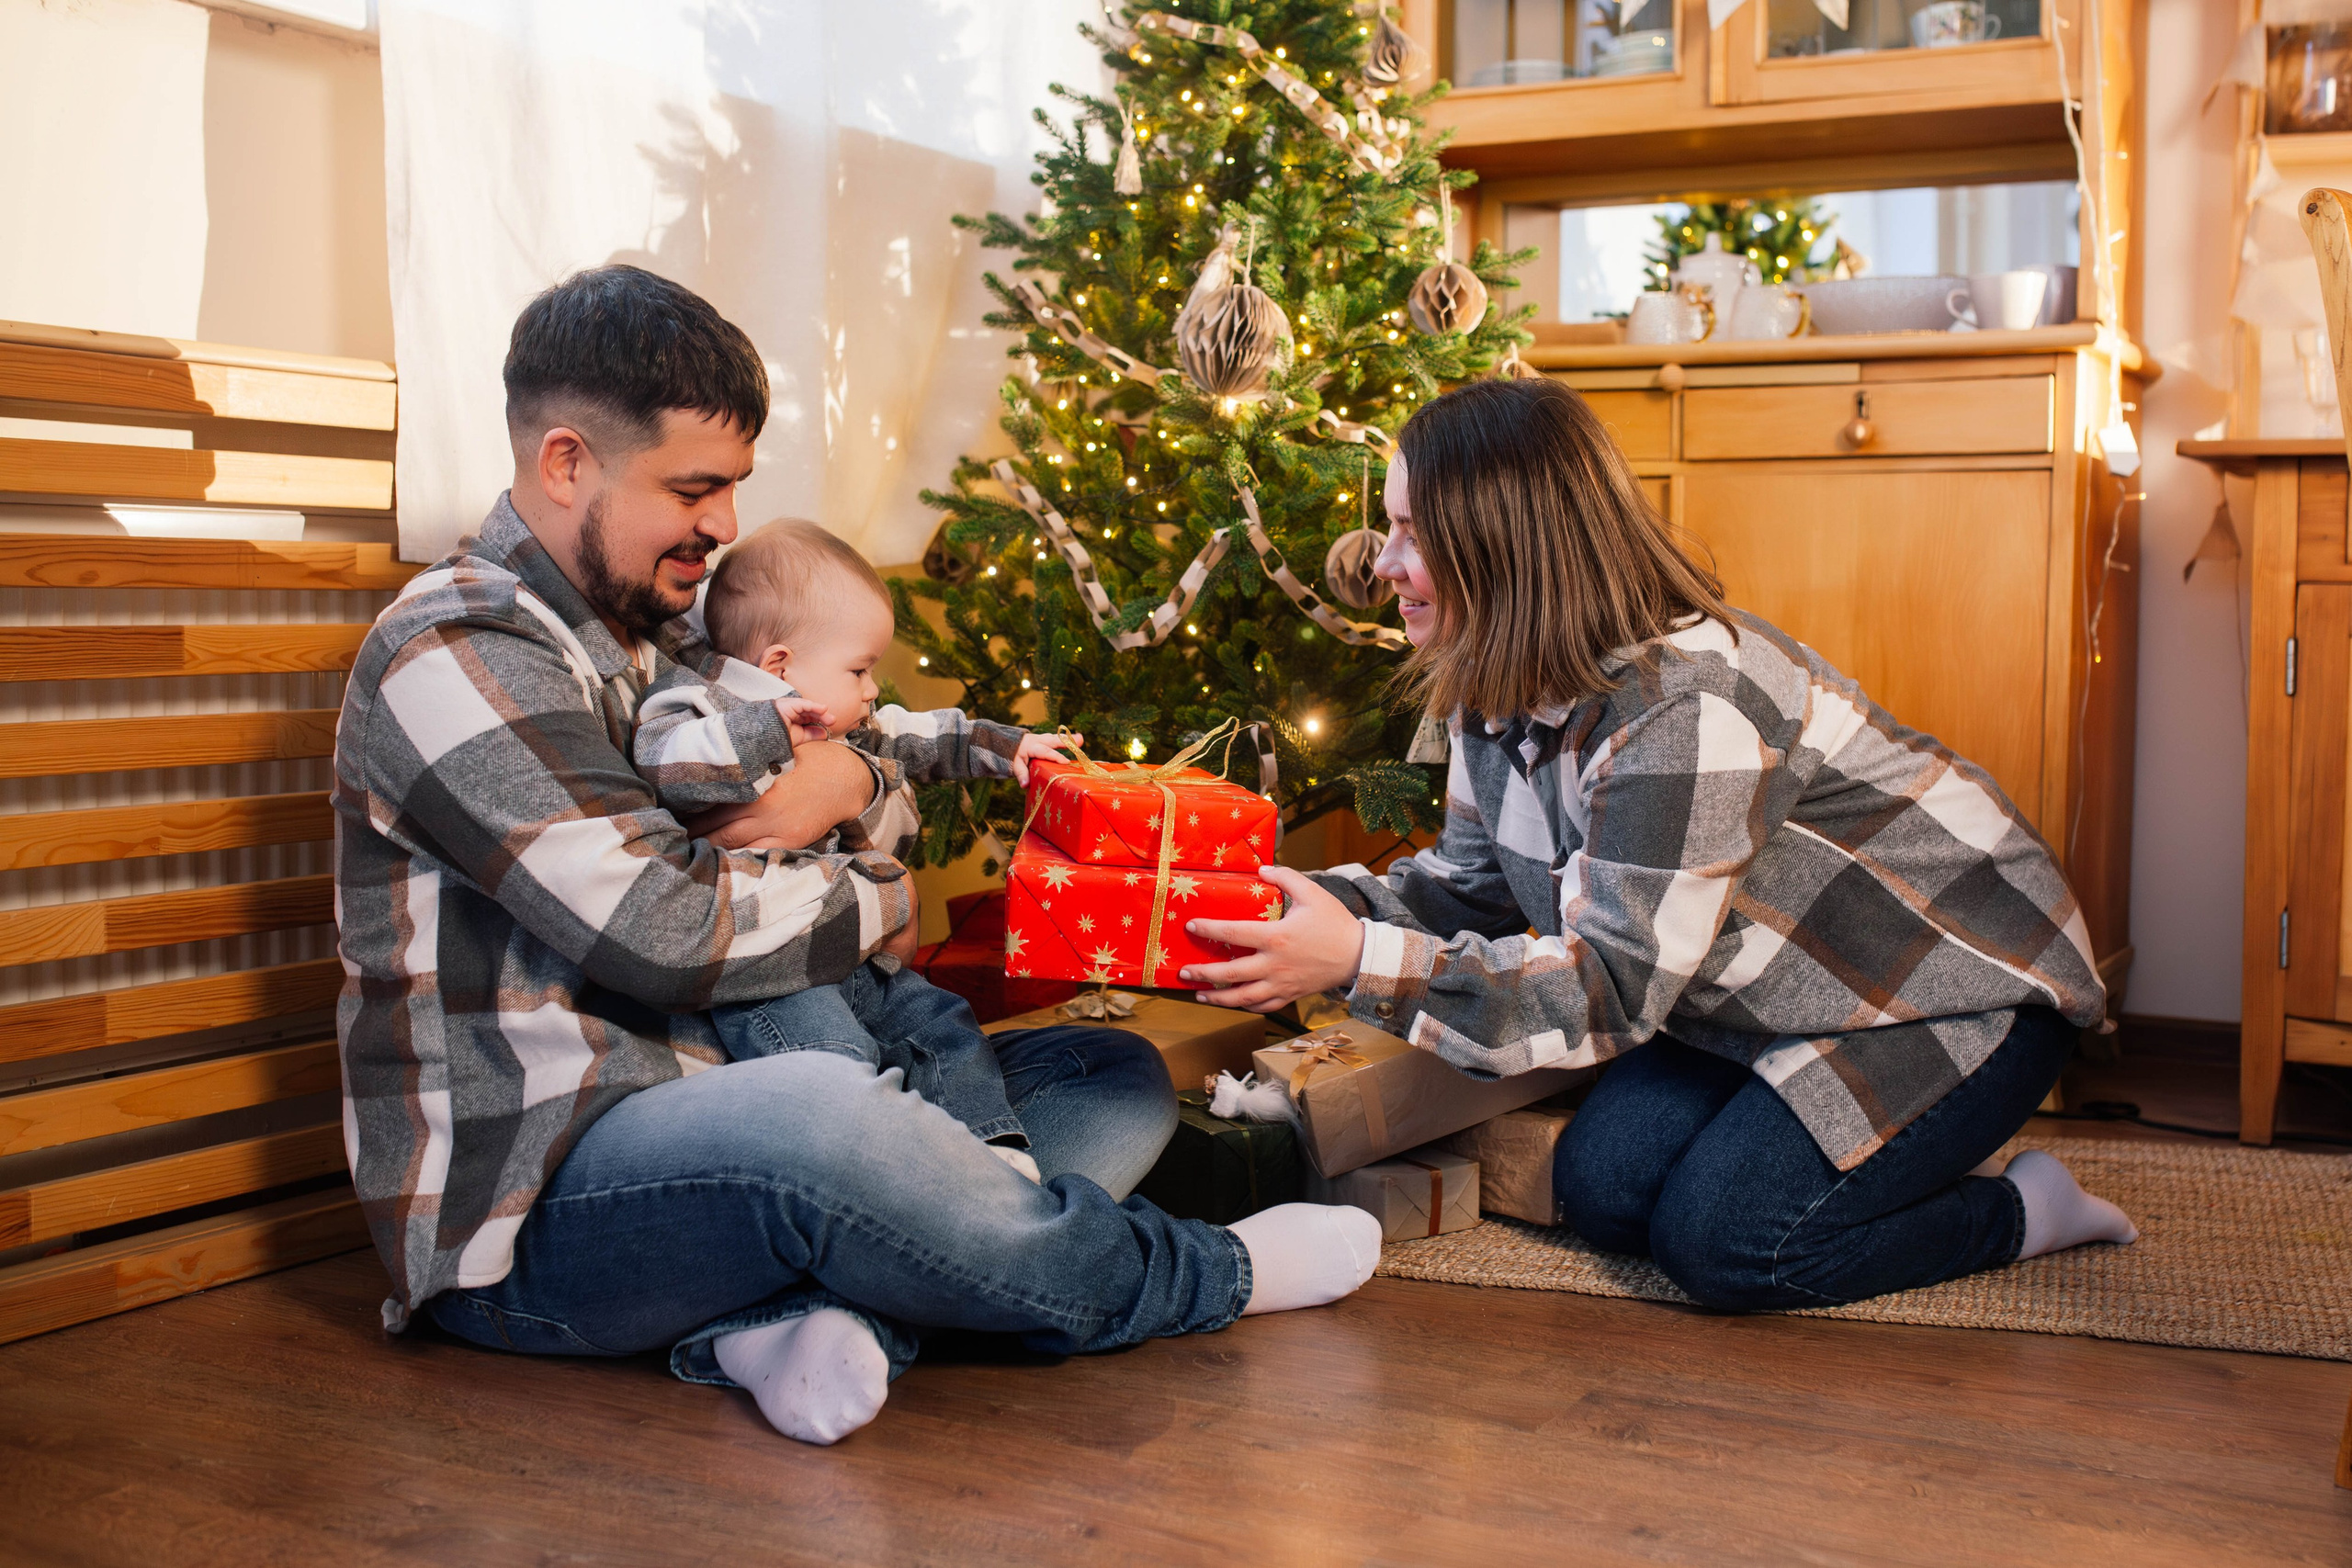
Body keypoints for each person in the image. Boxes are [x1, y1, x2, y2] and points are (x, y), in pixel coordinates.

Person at [333, 264, 1379, 1447]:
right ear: (567, 461)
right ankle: (1197, 1276)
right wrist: (875, 886)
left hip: (745, 1097)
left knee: (1104, 1077)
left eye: (733, 486)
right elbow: (668, 939)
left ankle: (808, 1322)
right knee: (833, 1116)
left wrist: (857, 781)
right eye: (693, 487)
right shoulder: (458, 652)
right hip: (540, 1204)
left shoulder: (677, 639)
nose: (723, 525)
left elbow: (862, 789)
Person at [1178, 376, 2136, 1313]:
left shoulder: (1680, 709)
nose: (1379, 563)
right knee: (1605, 1194)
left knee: (1728, 1246)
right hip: (1750, 990)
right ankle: (1822, 1134)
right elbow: (1469, 888)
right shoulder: (1489, 677)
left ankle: (2025, 1209)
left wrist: (1354, 959)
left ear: (1505, 547)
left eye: (1411, 534)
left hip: (1947, 984)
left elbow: (1608, 992)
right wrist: (1269, 905)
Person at [632, 517, 1076, 1174]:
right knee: (831, 1062)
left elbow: (918, 735)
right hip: (771, 968)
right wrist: (766, 729)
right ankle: (882, 1179)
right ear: (779, 664)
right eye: (860, 669)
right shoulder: (700, 700)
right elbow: (664, 762)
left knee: (939, 1023)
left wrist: (1005, 745)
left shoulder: (846, 720)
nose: (872, 690)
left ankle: (993, 1155)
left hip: (854, 947)